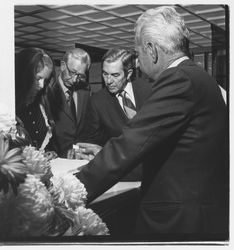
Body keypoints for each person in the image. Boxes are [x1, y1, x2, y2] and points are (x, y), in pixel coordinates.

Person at [75, 6, 228, 239]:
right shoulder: (199, 77)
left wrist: (70, 190)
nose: (137, 63)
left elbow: (131, 143)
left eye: (138, 54)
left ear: (152, 50)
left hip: (178, 222)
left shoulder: (178, 79)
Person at [75, 48, 152, 181]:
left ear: (128, 74)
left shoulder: (150, 90)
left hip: (156, 170)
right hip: (123, 175)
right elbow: (92, 142)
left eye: (115, 75)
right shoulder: (97, 101)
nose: (108, 81)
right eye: (105, 74)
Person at [46, 48, 91, 157]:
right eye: (72, 72)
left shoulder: (85, 90)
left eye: (80, 75)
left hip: (80, 156)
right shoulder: (47, 91)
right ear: (62, 66)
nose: (75, 79)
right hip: (56, 157)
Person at [15, 47, 58, 155]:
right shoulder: (8, 107)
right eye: (38, 78)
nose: (42, 85)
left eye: (46, 80)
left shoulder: (42, 103)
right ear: (25, 76)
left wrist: (47, 152)